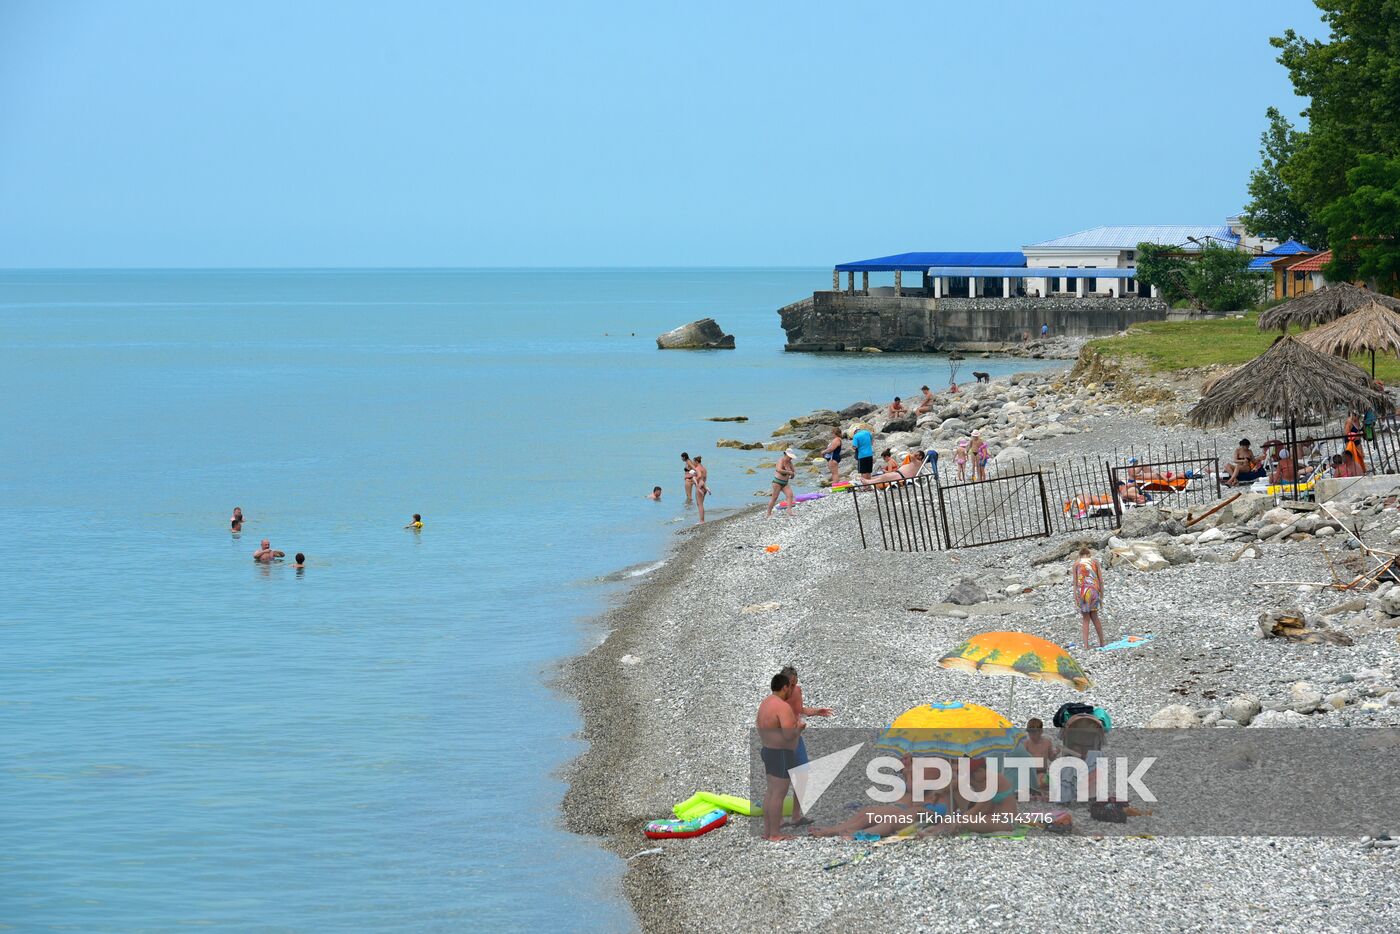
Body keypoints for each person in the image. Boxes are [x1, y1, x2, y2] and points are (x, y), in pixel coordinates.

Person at [780, 665, 833, 828]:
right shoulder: (776, 699)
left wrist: (817, 711)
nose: (793, 687)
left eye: (795, 683)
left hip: (796, 739)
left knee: (802, 775)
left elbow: (799, 710)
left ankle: (796, 816)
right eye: (791, 684)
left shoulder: (797, 691)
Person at [757, 672, 806, 841]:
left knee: (770, 792)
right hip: (780, 753)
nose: (791, 691)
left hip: (767, 750)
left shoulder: (765, 704)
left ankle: (767, 832)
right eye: (789, 688)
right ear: (784, 687)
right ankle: (775, 834)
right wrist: (799, 728)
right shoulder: (782, 706)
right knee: (779, 793)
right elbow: (788, 735)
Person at [1072, 546, 1106, 649]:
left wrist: (1075, 597)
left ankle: (1086, 645)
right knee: (1095, 617)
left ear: (1080, 555)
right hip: (1094, 591)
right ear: (1089, 554)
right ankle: (1102, 642)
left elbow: (1075, 582)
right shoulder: (1094, 562)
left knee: (1085, 618)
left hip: (1082, 592)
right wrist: (1101, 594)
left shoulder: (1076, 564)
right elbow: (1100, 580)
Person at [1022, 718, 1058, 792]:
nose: (1032, 735)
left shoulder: (1047, 742)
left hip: (1042, 771)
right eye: (1030, 733)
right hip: (1030, 772)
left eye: (1034, 733)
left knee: (1047, 781)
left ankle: (1036, 786)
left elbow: (1051, 758)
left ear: (1041, 731)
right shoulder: (1026, 743)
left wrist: (1055, 753)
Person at [859, 450, 925, 485]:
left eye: (918, 454)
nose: (916, 455)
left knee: (884, 477)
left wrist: (914, 454)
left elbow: (911, 456)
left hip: (901, 476)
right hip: (899, 474)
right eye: (916, 454)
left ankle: (868, 482)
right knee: (879, 476)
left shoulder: (918, 462)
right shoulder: (916, 462)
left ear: (921, 457)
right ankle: (866, 480)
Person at [766, 449, 797, 518]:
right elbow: (778, 469)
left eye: (791, 457)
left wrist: (792, 475)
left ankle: (789, 511)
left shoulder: (790, 463)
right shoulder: (781, 460)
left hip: (785, 483)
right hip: (777, 482)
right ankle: (768, 513)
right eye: (789, 456)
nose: (790, 458)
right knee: (774, 498)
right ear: (785, 455)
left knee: (790, 495)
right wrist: (788, 472)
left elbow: (793, 471)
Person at [692, 455, 709, 523]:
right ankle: (702, 520)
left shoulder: (697, 468)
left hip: (699, 487)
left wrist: (694, 479)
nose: (693, 464)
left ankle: (702, 521)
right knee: (701, 504)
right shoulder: (704, 468)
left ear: (696, 461)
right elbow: (705, 478)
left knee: (700, 505)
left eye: (694, 462)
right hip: (704, 486)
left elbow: (699, 476)